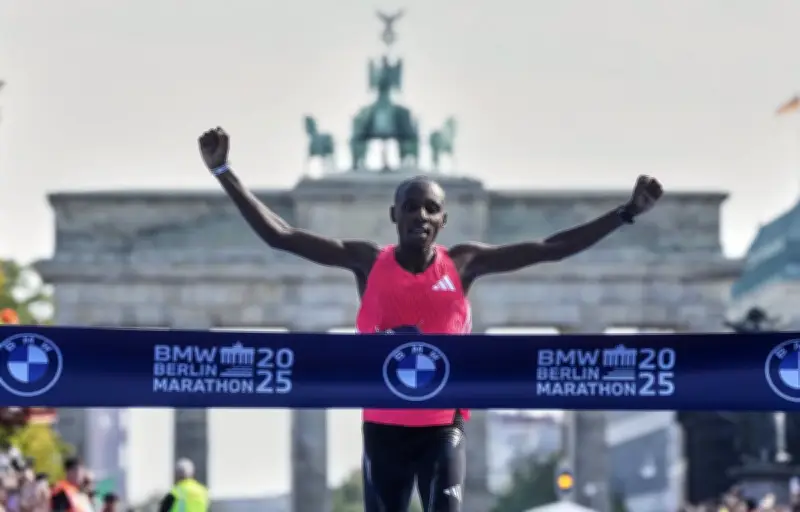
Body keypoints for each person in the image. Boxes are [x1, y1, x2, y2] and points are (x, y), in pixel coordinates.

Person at [198, 127, 663, 512]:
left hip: (444, 427)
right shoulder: (367, 262)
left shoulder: (463, 263)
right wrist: (223, 171)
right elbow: (283, 236)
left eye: (430, 208)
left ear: (443, 220)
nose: (420, 214)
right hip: (383, 428)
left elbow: (550, 248)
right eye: (410, 206)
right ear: (393, 215)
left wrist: (625, 214)